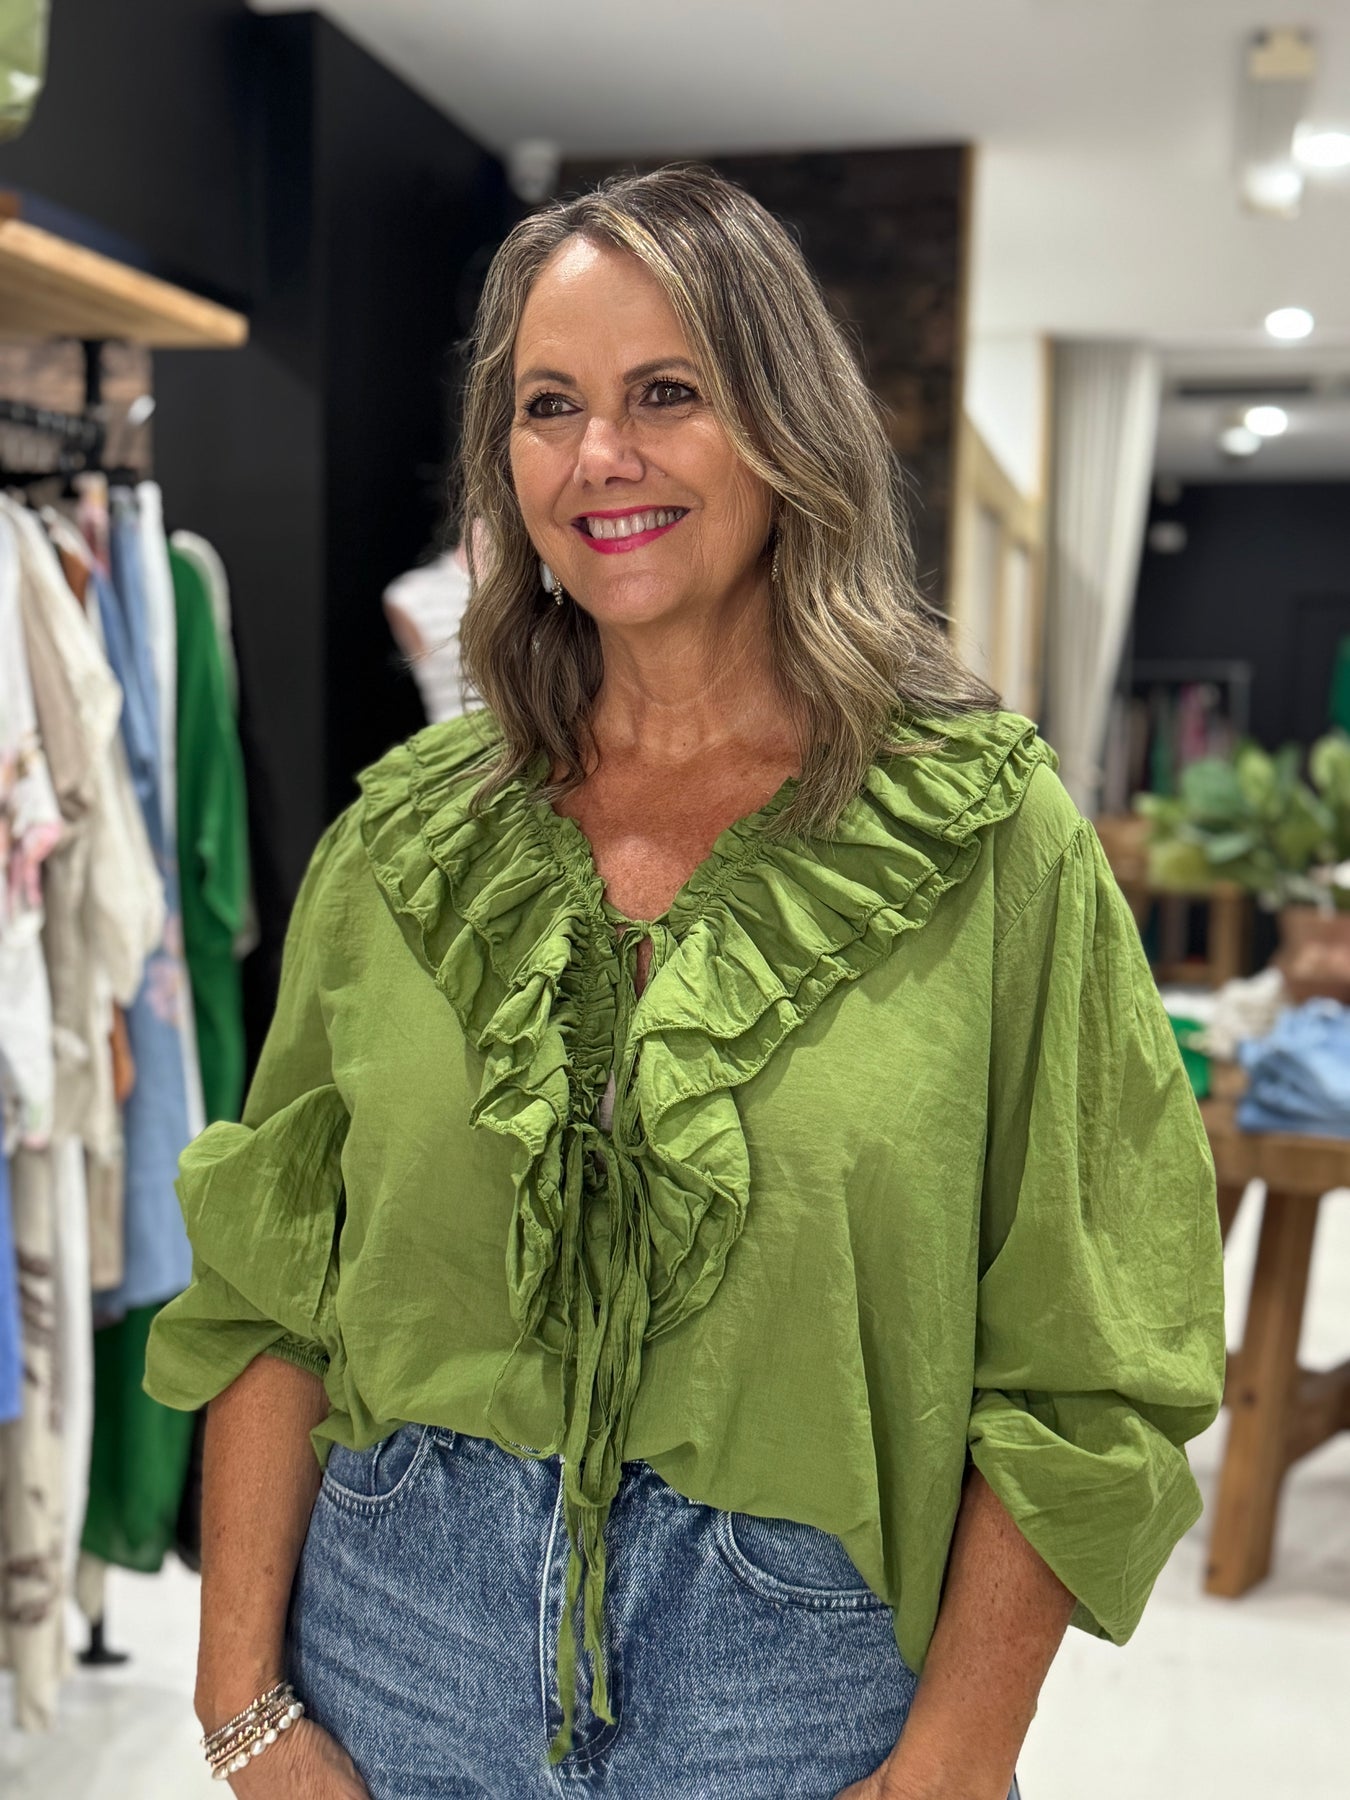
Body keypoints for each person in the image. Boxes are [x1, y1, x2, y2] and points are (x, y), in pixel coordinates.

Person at [146, 165, 1226, 1800]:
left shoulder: (985, 841)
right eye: (548, 406)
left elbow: (1096, 1344)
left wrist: (952, 1760)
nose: (600, 456)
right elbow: (273, 1284)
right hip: (391, 1648)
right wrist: (239, 1699)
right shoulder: (403, 847)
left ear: (786, 428)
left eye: (668, 393)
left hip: (795, 1687)